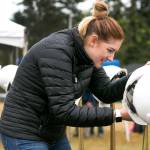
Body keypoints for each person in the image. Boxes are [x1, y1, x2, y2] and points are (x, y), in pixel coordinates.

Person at [0, 0, 132, 149]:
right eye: (110, 50)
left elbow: (106, 92)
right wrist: (118, 114)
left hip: (52, 132)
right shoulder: (56, 51)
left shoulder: (88, 55)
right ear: (94, 41)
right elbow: (64, 111)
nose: (111, 58)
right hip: (22, 132)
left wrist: (138, 77)